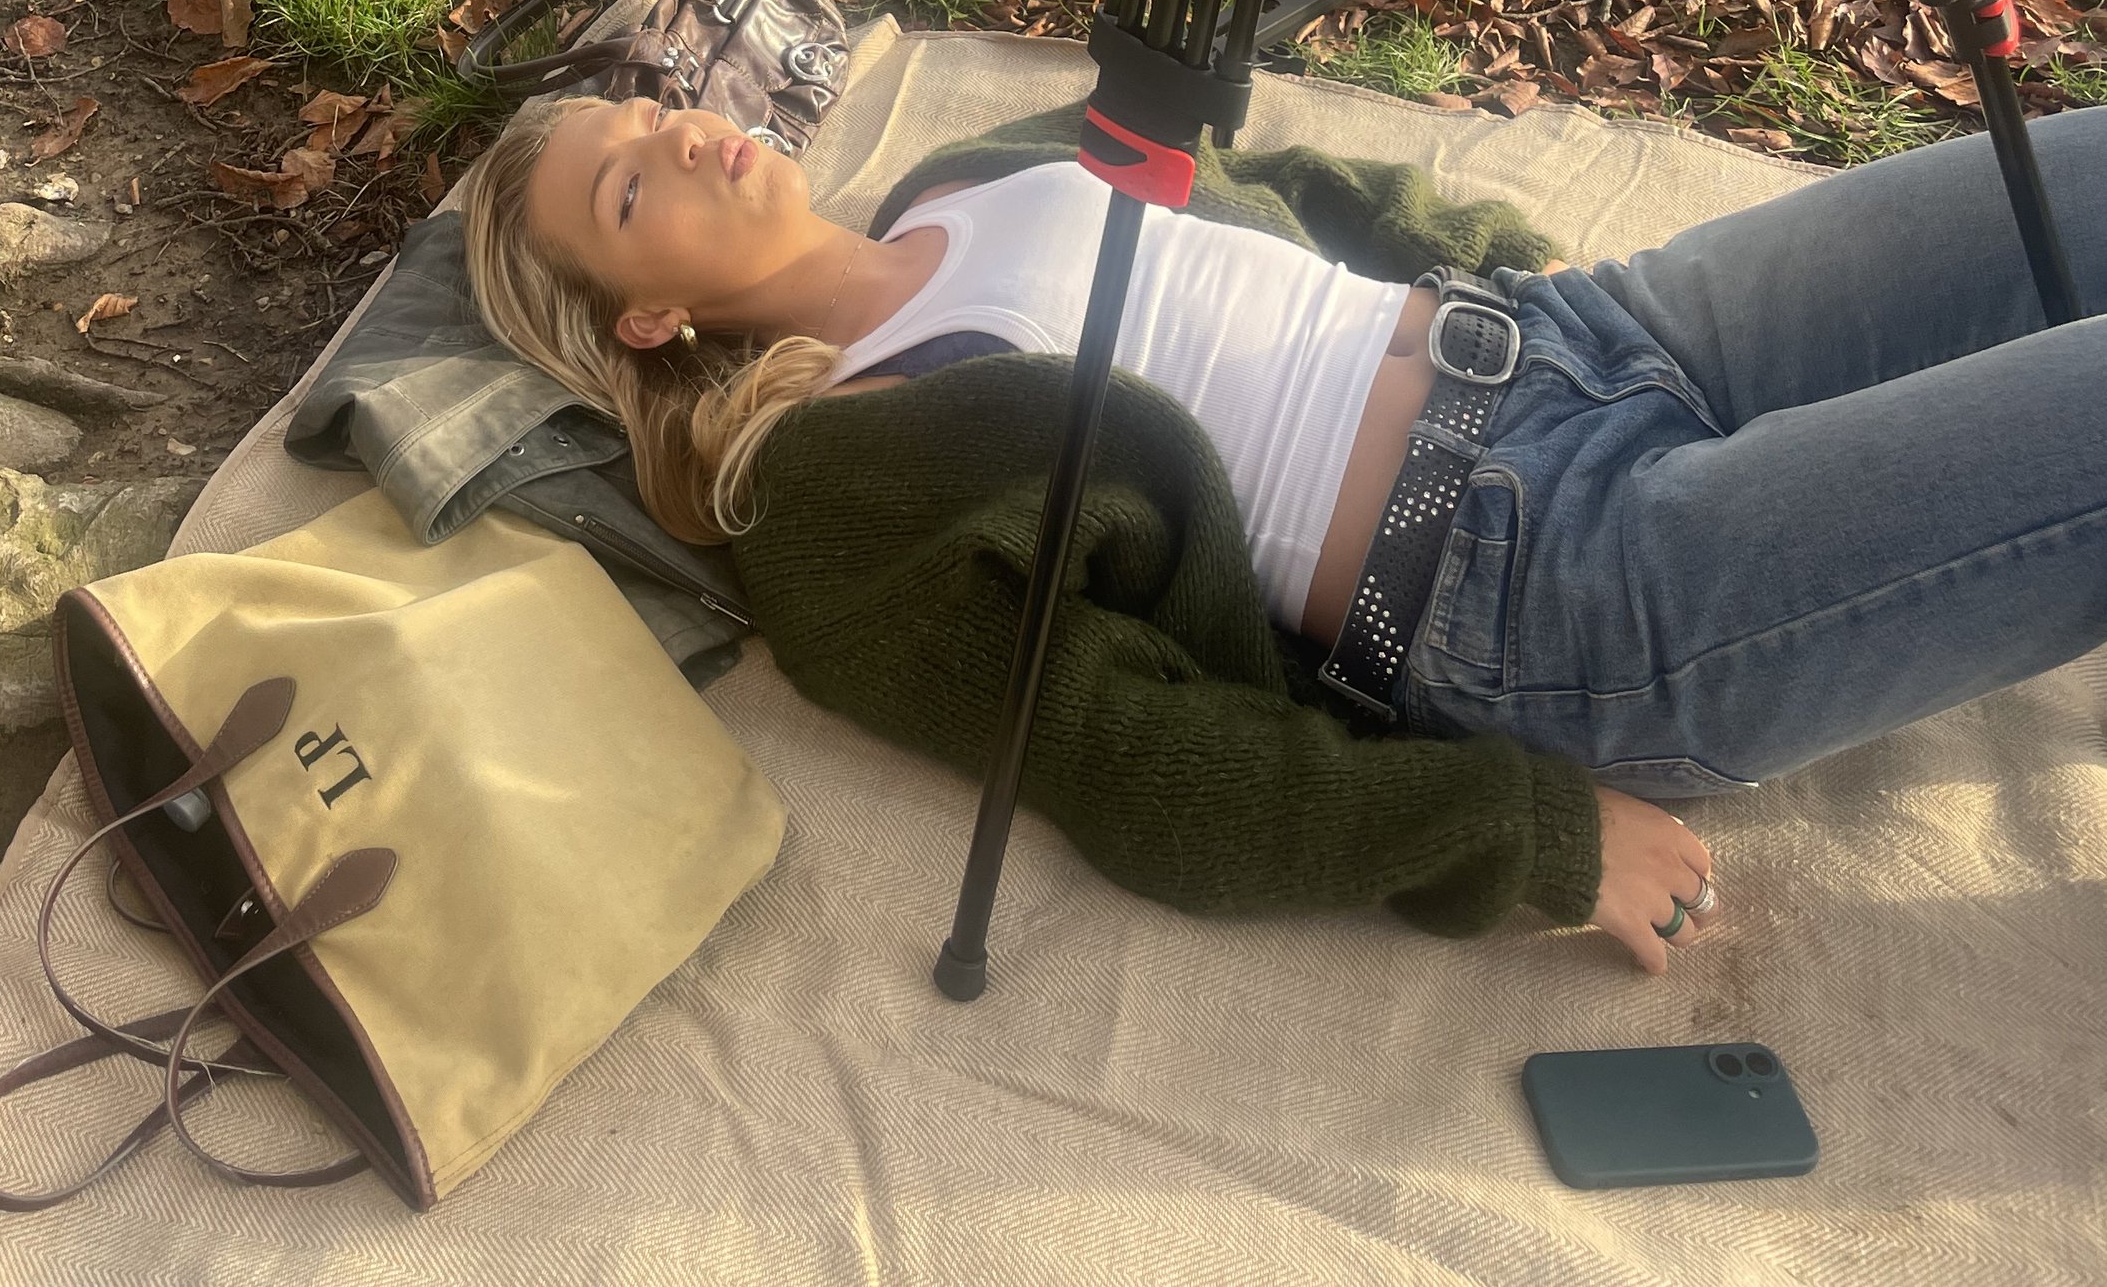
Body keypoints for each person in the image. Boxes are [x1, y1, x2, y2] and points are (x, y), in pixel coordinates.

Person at [459, 89, 2107, 978]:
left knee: (2081, 172)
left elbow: (1294, 184)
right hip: (1567, 591)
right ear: (657, 315)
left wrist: (1503, 273)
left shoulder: (972, 167)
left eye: (646, 105)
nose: (676, 130)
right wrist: (1515, 824)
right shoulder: (830, 494)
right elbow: (1136, 766)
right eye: (625, 189)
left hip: (1598, 330)